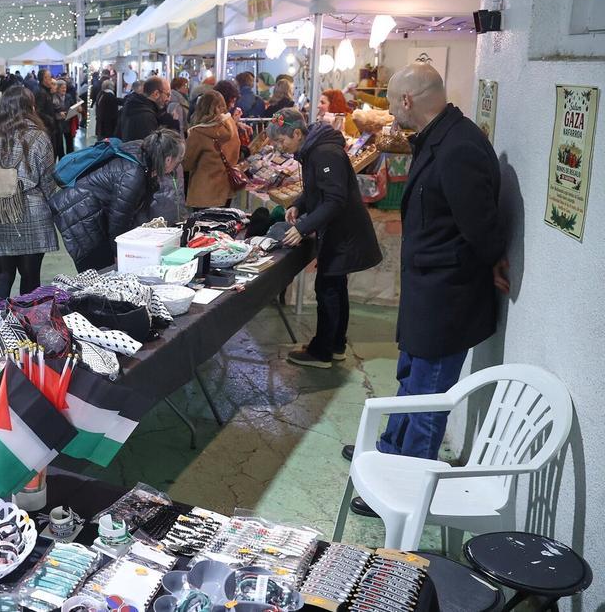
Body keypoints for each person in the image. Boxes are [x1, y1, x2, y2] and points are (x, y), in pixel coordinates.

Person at [341, 64, 508, 492]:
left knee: (429, 396)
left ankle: (406, 487)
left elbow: (481, 226)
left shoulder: (459, 147)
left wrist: (492, 259)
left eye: (394, 104)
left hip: (447, 297)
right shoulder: (442, 137)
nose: (392, 113)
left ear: (408, 101)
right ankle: (391, 452)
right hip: (429, 291)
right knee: (411, 379)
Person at [267, 108, 382, 370]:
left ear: (297, 133)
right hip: (339, 231)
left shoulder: (323, 152)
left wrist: (303, 227)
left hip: (344, 234)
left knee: (328, 289)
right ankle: (336, 345)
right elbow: (318, 189)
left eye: (282, 141)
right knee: (335, 287)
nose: (280, 147)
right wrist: (299, 204)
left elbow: (334, 199)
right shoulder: (314, 150)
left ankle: (322, 352)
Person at [0, 86, 59, 308]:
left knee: (1, 277)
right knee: (31, 279)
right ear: (30, 107)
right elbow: (48, 182)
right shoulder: (38, 137)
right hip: (30, 216)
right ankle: (29, 331)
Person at [50, 129, 186, 272]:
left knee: (104, 268)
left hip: (88, 208)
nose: (176, 167)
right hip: (79, 213)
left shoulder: (141, 153)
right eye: (178, 161)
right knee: (99, 273)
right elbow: (119, 220)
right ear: (168, 159)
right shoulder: (133, 174)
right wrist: (119, 254)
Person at [182, 90, 240, 210]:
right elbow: (236, 152)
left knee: (204, 227)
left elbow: (187, 163)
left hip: (205, 191)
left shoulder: (197, 132)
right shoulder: (231, 125)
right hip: (227, 188)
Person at [118, 76, 174, 142]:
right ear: (156, 94)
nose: (169, 99)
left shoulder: (134, 106)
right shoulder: (146, 116)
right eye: (167, 94)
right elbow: (151, 148)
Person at [33, 69, 66, 160]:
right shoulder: (41, 92)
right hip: (47, 128)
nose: (51, 79)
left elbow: (49, 108)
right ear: (45, 78)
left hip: (51, 127)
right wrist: (51, 119)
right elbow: (38, 111)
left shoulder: (46, 92)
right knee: (50, 154)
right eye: (50, 77)